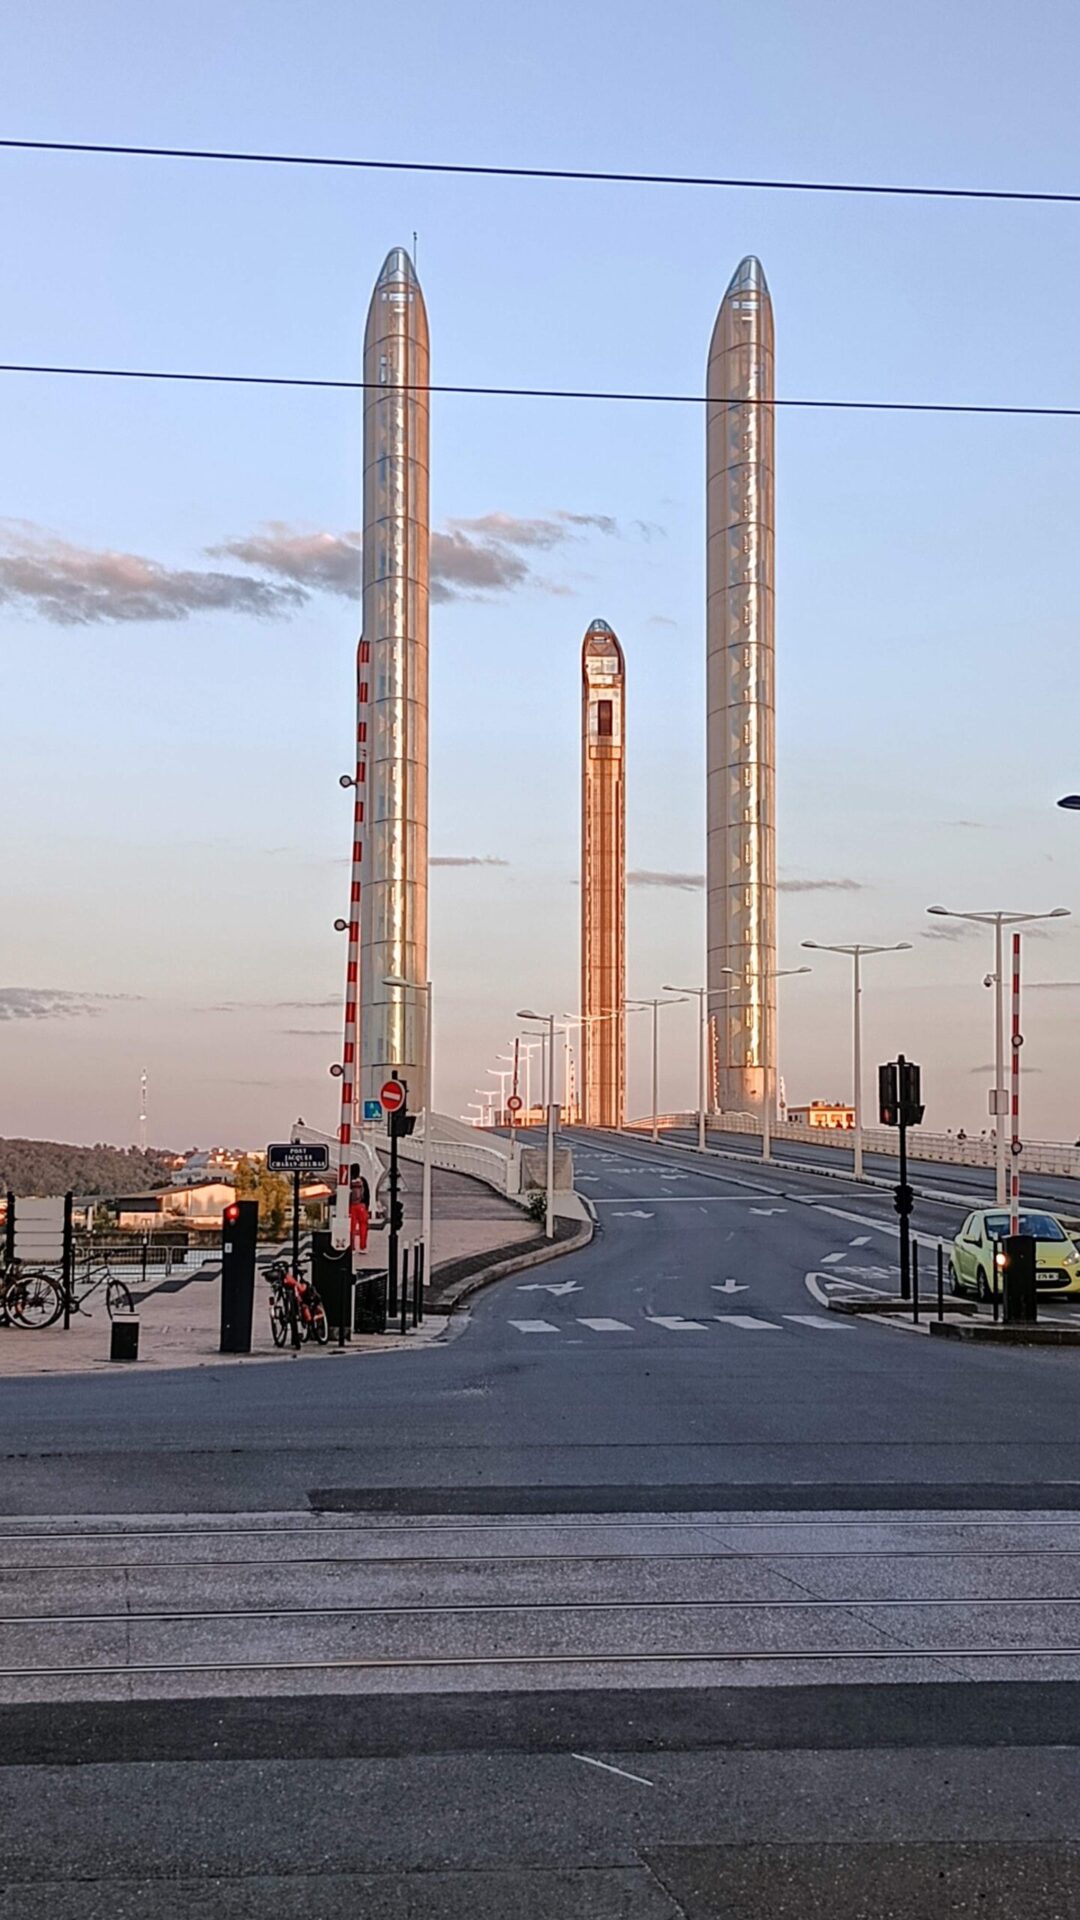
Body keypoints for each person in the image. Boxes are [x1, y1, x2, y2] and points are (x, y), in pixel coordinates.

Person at [348, 1165, 370, 1257]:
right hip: (361, 1206)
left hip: (351, 1206)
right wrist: (366, 1206)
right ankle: (363, 1247)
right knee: (363, 1227)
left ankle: (352, 1247)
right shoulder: (362, 1180)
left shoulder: (348, 1181)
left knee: (351, 1228)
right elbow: (367, 1193)